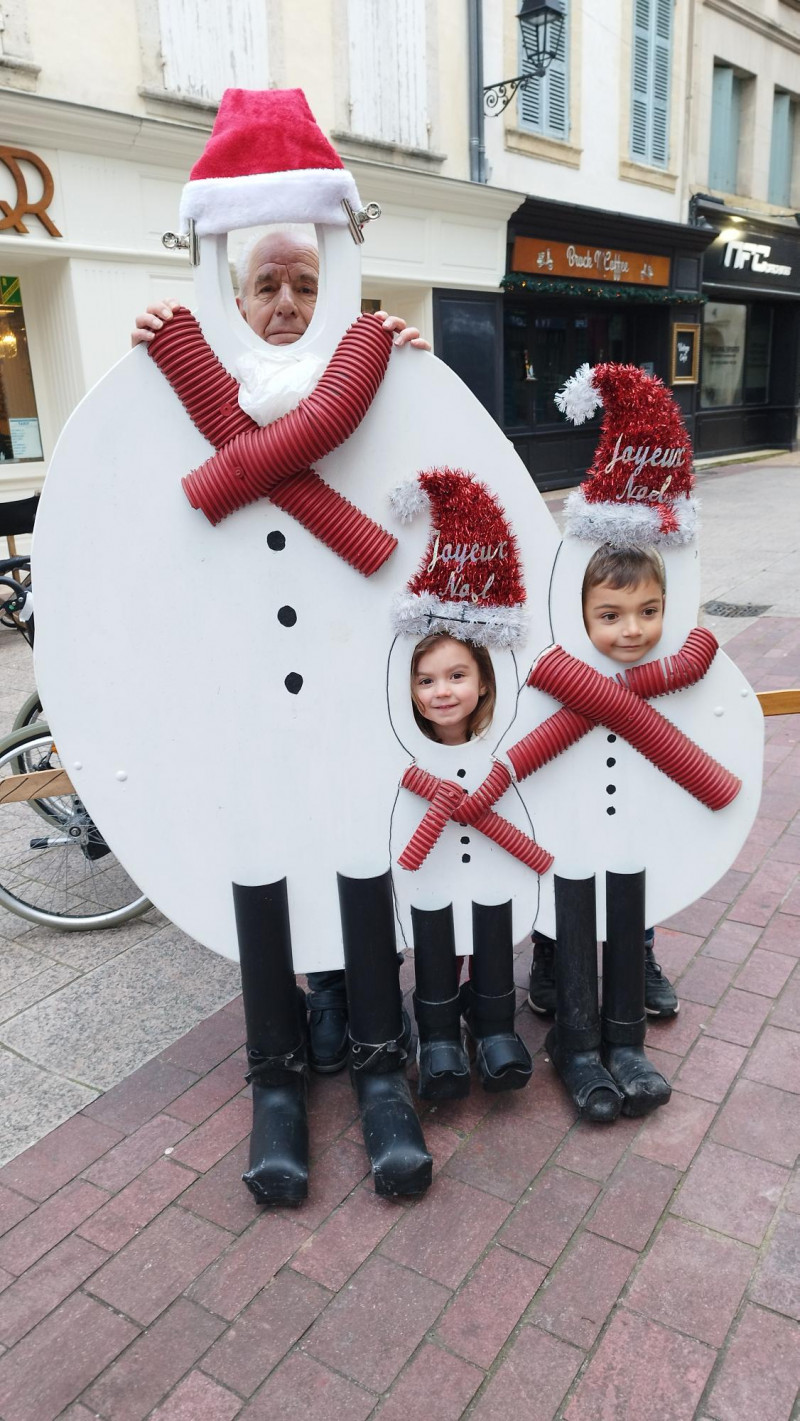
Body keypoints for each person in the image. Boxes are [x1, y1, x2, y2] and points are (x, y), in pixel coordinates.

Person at [132, 226, 431, 1079]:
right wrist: (158, 350)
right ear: (237, 301)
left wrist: (404, 362)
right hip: (252, 649)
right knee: (276, 813)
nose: (288, 304)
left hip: (349, 647)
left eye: (307, 284)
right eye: (267, 286)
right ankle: (311, 993)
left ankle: (360, 988)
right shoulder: (205, 378)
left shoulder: (368, 375)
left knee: (354, 812)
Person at [528, 542, 679, 1024]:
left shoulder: (671, 672)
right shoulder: (562, 671)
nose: (633, 630)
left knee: (635, 862)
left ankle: (638, 952)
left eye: (649, 611)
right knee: (562, 861)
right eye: (610, 615)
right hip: (572, 793)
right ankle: (551, 952)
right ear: (581, 617)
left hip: (639, 793)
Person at [407, 631, 533, 1100]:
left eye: (456, 676)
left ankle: (490, 1024)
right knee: (441, 934)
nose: (441, 691)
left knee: (488, 931)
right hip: (434, 862)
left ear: (483, 683)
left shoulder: (500, 740)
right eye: (426, 681)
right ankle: (438, 1031)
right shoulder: (403, 746)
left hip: (491, 856)